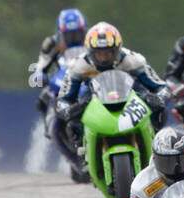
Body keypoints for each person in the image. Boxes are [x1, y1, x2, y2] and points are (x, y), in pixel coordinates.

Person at [54, 22, 170, 173]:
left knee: (157, 108)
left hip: (132, 92)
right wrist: (68, 111)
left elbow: (160, 86)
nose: (103, 58)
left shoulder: (133, 60)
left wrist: (159, 99)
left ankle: (156, 142)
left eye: (108, 52)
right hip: (94, 96)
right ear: (90, 52)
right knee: (72, 121)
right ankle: (83, 151)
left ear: (118, 49)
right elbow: (64, 98)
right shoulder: (78, 65)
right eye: (99, 53)